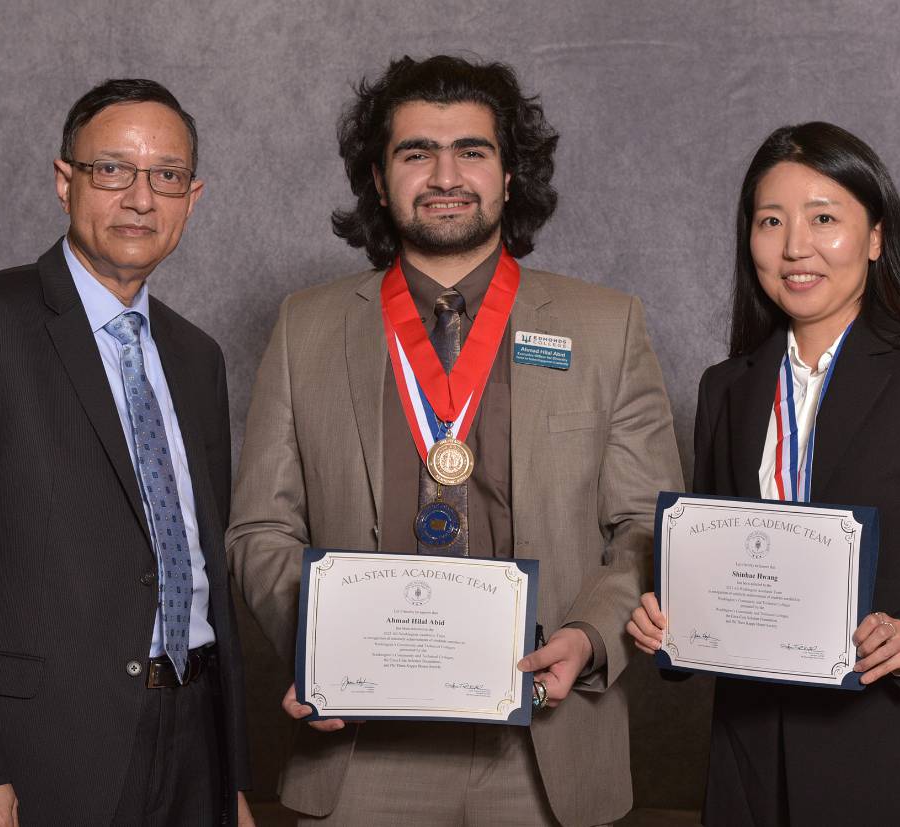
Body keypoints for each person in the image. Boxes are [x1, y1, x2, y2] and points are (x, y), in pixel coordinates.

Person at [227, 55, 683, 826]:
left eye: (472, 150)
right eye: (416, 153)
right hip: (361, 751)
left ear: (509, 175)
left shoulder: (608, 326)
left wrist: (588, 637)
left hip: (547, 743)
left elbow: (643, 525)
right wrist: (322, 645)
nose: (445, 174)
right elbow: (261, 529)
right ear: (379, 178)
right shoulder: (305, 327)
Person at [628, 121, 900, 825]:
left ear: (876, 237)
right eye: (771, 221)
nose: (795, 247)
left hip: (892, 757)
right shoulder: (727, 387)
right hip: (749, 762)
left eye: (824, 218)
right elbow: (717, 557)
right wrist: (669, 623)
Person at [0, 79, 254, 826]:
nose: (141, 198)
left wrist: (232, 776)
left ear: (194, 197)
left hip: (194, 740)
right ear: (65, 181)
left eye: (167, 176)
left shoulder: (195, 355)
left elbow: (205, 564)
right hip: (41, 748)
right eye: (112, 169)